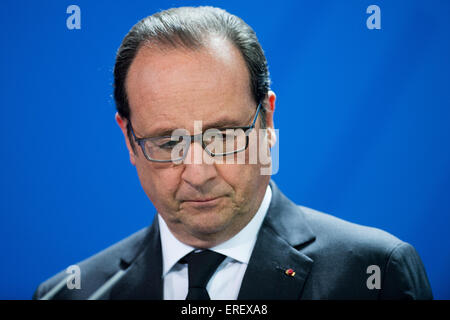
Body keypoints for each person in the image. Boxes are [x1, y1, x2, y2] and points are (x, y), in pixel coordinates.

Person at [33, 6, 432, 300]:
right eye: (168, 142)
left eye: (223, 136)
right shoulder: (68, 294)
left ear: (267, 121)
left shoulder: (375, 273)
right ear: (129, 140)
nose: (198, 172)